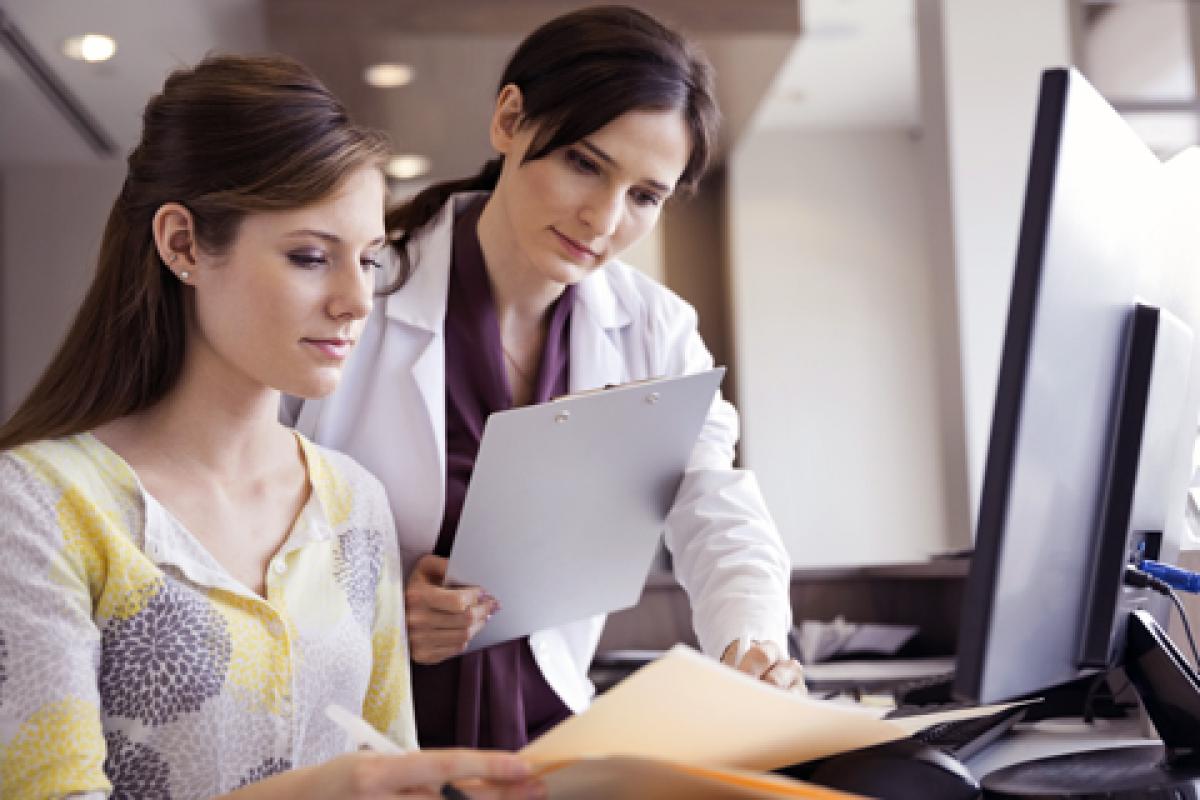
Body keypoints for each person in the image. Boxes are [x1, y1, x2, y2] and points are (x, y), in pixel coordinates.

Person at [0, 55, 541, 800]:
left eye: (370, 262)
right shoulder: (38, 506)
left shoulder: (355, 504)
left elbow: (393, 771)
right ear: (182, 244)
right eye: (311, 257)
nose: (357, 301)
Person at [285, 5, 802, 751]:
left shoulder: (654, 330)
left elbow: (715, 507)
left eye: (644, 197)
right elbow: (244, 525)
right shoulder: (360, 292)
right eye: (584, 164)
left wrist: (751, 643)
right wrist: (379, 614)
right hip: (363, 739)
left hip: (551, 734)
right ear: (509, 119)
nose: (602, 217)